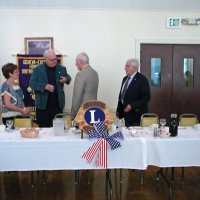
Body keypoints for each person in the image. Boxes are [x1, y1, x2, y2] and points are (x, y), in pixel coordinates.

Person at [29, 49, 71, 127]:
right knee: (44, 132)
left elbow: (68, 77)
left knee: (58, 130)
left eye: (56, 59)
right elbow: (32, 84)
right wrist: (44, 86)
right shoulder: (37, 69)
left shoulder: (61, 68)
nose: (54, 61)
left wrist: (66, 79)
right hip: (42, 107)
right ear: (45, 59)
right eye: (52, 60)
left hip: (57, 106)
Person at [116, 58, 150, 127]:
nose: (125, 68)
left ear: (134, 67)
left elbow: (146, 97)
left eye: (127, 66)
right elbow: (122, 96)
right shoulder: (125, 79)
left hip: (136, 116)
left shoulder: (142, 79)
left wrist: (132, 106)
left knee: (135, 137)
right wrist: (118, 110)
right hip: (126, 115)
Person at [71, 52, 99, 119]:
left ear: (81, 61)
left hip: (82, 112)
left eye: (76, 62)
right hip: (94, 110)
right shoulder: (95, 73)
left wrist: (73, 113)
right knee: (90, 129)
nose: (75, 64)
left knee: (81, 129)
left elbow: (77, 96)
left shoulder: (80, 74)